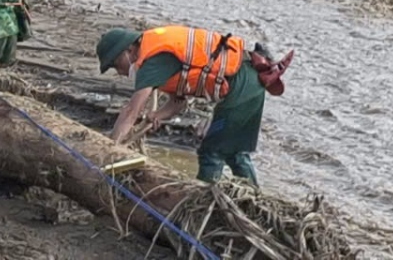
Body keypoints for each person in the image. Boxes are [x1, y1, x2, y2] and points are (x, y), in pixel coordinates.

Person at [97, 26, 294, 187]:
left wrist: (110, 149)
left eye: (116, 65)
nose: (120, 72)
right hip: (249, 81)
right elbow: (178, 101)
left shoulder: (152, 61)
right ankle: (253, 198)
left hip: (242, 84)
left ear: (128, 51)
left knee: (212, 152)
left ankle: (201, 202)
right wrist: (159, 114)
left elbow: (131, 111)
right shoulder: (157, 57)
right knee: (234, 152)